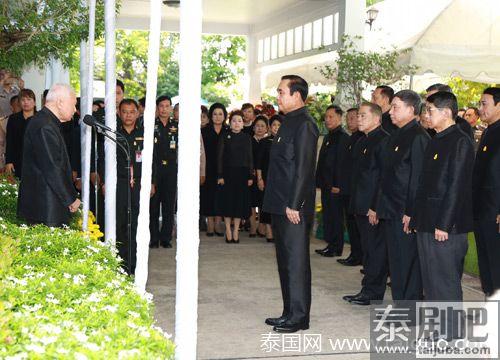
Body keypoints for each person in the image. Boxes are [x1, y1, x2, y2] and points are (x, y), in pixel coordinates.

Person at [414, 91, 474, 340]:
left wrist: (444, 224)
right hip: (428, 222)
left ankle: (450, 333)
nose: (426, 116)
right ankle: (438, 327)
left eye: (430, 111)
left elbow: (456, 186)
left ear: (446, 112)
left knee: (445, 281)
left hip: (446, 225)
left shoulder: (459, 141)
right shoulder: (436, 138)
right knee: (431, 279)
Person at [262, 75, 318, 333]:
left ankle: (299, 317)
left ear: (297, 95)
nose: (278, 96)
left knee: (295, 261)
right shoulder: (287, 122)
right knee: (284, 260)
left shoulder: (305, 124)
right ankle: (289, 311)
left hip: (293, 207)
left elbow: (304, 169)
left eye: (282, 92)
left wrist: (295, 203)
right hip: (280, 203)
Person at [370, 90, 429, 306]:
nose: (391, 112)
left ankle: (409, 311)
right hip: (390, 209)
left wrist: (410, 212)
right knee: (396, 264)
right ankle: (401, 307)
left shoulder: (419, 137)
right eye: (391, 107)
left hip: (404, 212)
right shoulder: (396, 134)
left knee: (407, 264)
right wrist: (377, 206)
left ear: (412, 110)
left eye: (396, 107)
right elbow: (386, 175)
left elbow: (417, 180)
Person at [342, 103, 389, 306]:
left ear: (377, 119)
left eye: (363, 115)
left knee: (375, 251)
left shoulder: (383, 141)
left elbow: (384, 178)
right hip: (359, 204)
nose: (358, 119)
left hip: (372, 207)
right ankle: (367, 288)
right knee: (368, 249)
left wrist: (375, 206)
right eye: (358, 116)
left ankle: (373, 291)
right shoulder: (363, 141)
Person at [17, 83, 80, 226]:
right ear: (60, 102)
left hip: (46, 204)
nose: (75, 110)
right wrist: (70, 198)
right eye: (73, 104)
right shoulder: (44, 125)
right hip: (45, 207)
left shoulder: (46, 122)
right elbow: (52, 167)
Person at [112, 99, 157, 274]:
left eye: (132, 112)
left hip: (140, 183)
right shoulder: (113, 133)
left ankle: (136, 262)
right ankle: (122, 262)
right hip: (120, 183)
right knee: (121, 221)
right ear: (119, 113)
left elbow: (152, 160)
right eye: (125, 111)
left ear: (138, 113)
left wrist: (152, 182)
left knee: (138, 222)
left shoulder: (145, 134)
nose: (128, 115)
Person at [473, 87, 500, 297]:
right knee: (486, 262)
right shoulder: (488, 131)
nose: (480, 108)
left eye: (485, 104)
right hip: (482, 210)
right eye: (480, 104)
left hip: (495, 212)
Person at [315, 105, 349, 257]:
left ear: (339, 118)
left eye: (331, 117)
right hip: (326, 184)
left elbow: (342, 164)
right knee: (328, 216)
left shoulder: (342, 137)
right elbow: (323, 162)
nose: (327, 120)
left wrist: (337, 184)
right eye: (326, 117)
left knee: (336, 217)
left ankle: (336, 247)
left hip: (335, 186)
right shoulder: (329, 136)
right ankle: (330, 244)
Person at [215, 110, 253, 243]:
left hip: (242, 174)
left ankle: (236, 230)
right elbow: (219, 157)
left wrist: (250, 176)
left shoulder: (247, 137)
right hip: (227, 174)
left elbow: (250, 157)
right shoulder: (225, 136)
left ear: (243, 124)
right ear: (230, 123)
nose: (237, 123)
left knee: (238, 204)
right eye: (234, 121)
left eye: (239, 121)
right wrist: (220, 175)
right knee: (228, 203)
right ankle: (227, 229)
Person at [150, 95, 178, 248]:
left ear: (171, 108)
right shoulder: (150, 124)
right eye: (161, 106)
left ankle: (166, 237)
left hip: (171, 169)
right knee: (153, 205)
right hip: (155, 168)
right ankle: (153, 238)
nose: (164, 109)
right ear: (157, 107)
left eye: (167, 106)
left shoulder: (177, 125)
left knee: (169, 205)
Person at [337, 108, 364, 266]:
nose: (351, 121)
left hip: (355, 190)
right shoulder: (353, 138)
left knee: (356, 226)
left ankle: (358, 255)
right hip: (347, 189)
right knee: (351, 224)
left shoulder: (360, 138)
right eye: (350, 118)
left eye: (354, 117)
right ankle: (354, 253)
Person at [201, 103, 228, 236]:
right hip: (207, 168)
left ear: (224, 116)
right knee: (208, 195)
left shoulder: (228, 131)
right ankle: (210, 223)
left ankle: (218, 223)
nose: (217, 117)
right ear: (211, 116)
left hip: (224, 169)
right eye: (215, 114)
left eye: (220, 114)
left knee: (221, 196)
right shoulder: (204, 131)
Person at [256, 115, 282, 242]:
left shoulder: (286, 142)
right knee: (266, 205)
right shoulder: (264, 142)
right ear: (270, 127)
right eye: (274, 125)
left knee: (278, 205)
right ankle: (269, 231)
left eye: (279, 125)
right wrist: (259, 179)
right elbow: (259, 163)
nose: (276, 127)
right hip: (267, 178)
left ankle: (278, 231)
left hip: (281, 179)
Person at [5, 89, 37, 178]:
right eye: (23, 100)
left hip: (37, 161)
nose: (25, 102)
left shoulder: (40, 118)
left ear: (34, 102)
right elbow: (10, 141)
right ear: (19, 103)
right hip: (18, 160)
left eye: (29, 99)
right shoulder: (13, 119)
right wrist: (9, 161)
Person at [249, 115, 269, 237]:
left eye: (262, 126)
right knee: (251, 203)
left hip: (264, 176)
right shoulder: (249, 140)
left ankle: (261, 227)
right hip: (251, 176)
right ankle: (252, 227)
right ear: (253, 128)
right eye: (257, 126)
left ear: (267, 128)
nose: (260, 128)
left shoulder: (269, 142)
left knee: (262, 203)